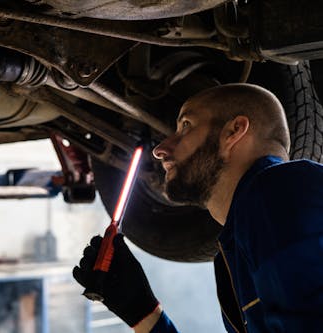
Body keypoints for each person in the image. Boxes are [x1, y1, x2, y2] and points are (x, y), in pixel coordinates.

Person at [73, 83, 323, 333]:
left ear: (234, 132)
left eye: (186, 126)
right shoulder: (245, 233)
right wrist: (143, 313)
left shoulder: (281, 189)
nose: (160, 150)